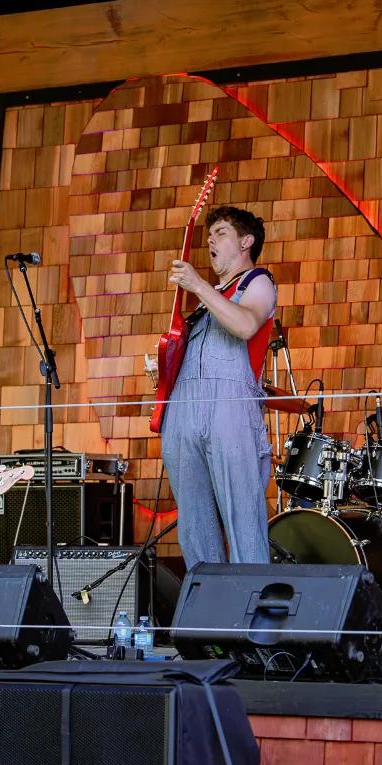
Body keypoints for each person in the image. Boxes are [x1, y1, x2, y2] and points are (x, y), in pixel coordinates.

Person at [161, 205, 277, 569]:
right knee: (194, 527)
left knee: (243, 521)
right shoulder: (206, 302)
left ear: (246, 241)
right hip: (183, 412)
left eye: (221, 233)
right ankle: (207, 600)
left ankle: (250, 600)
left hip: (230, 408)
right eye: (208, 235)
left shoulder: (256, 282)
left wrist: (197, 285)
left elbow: (245, 325)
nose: (210, 240)